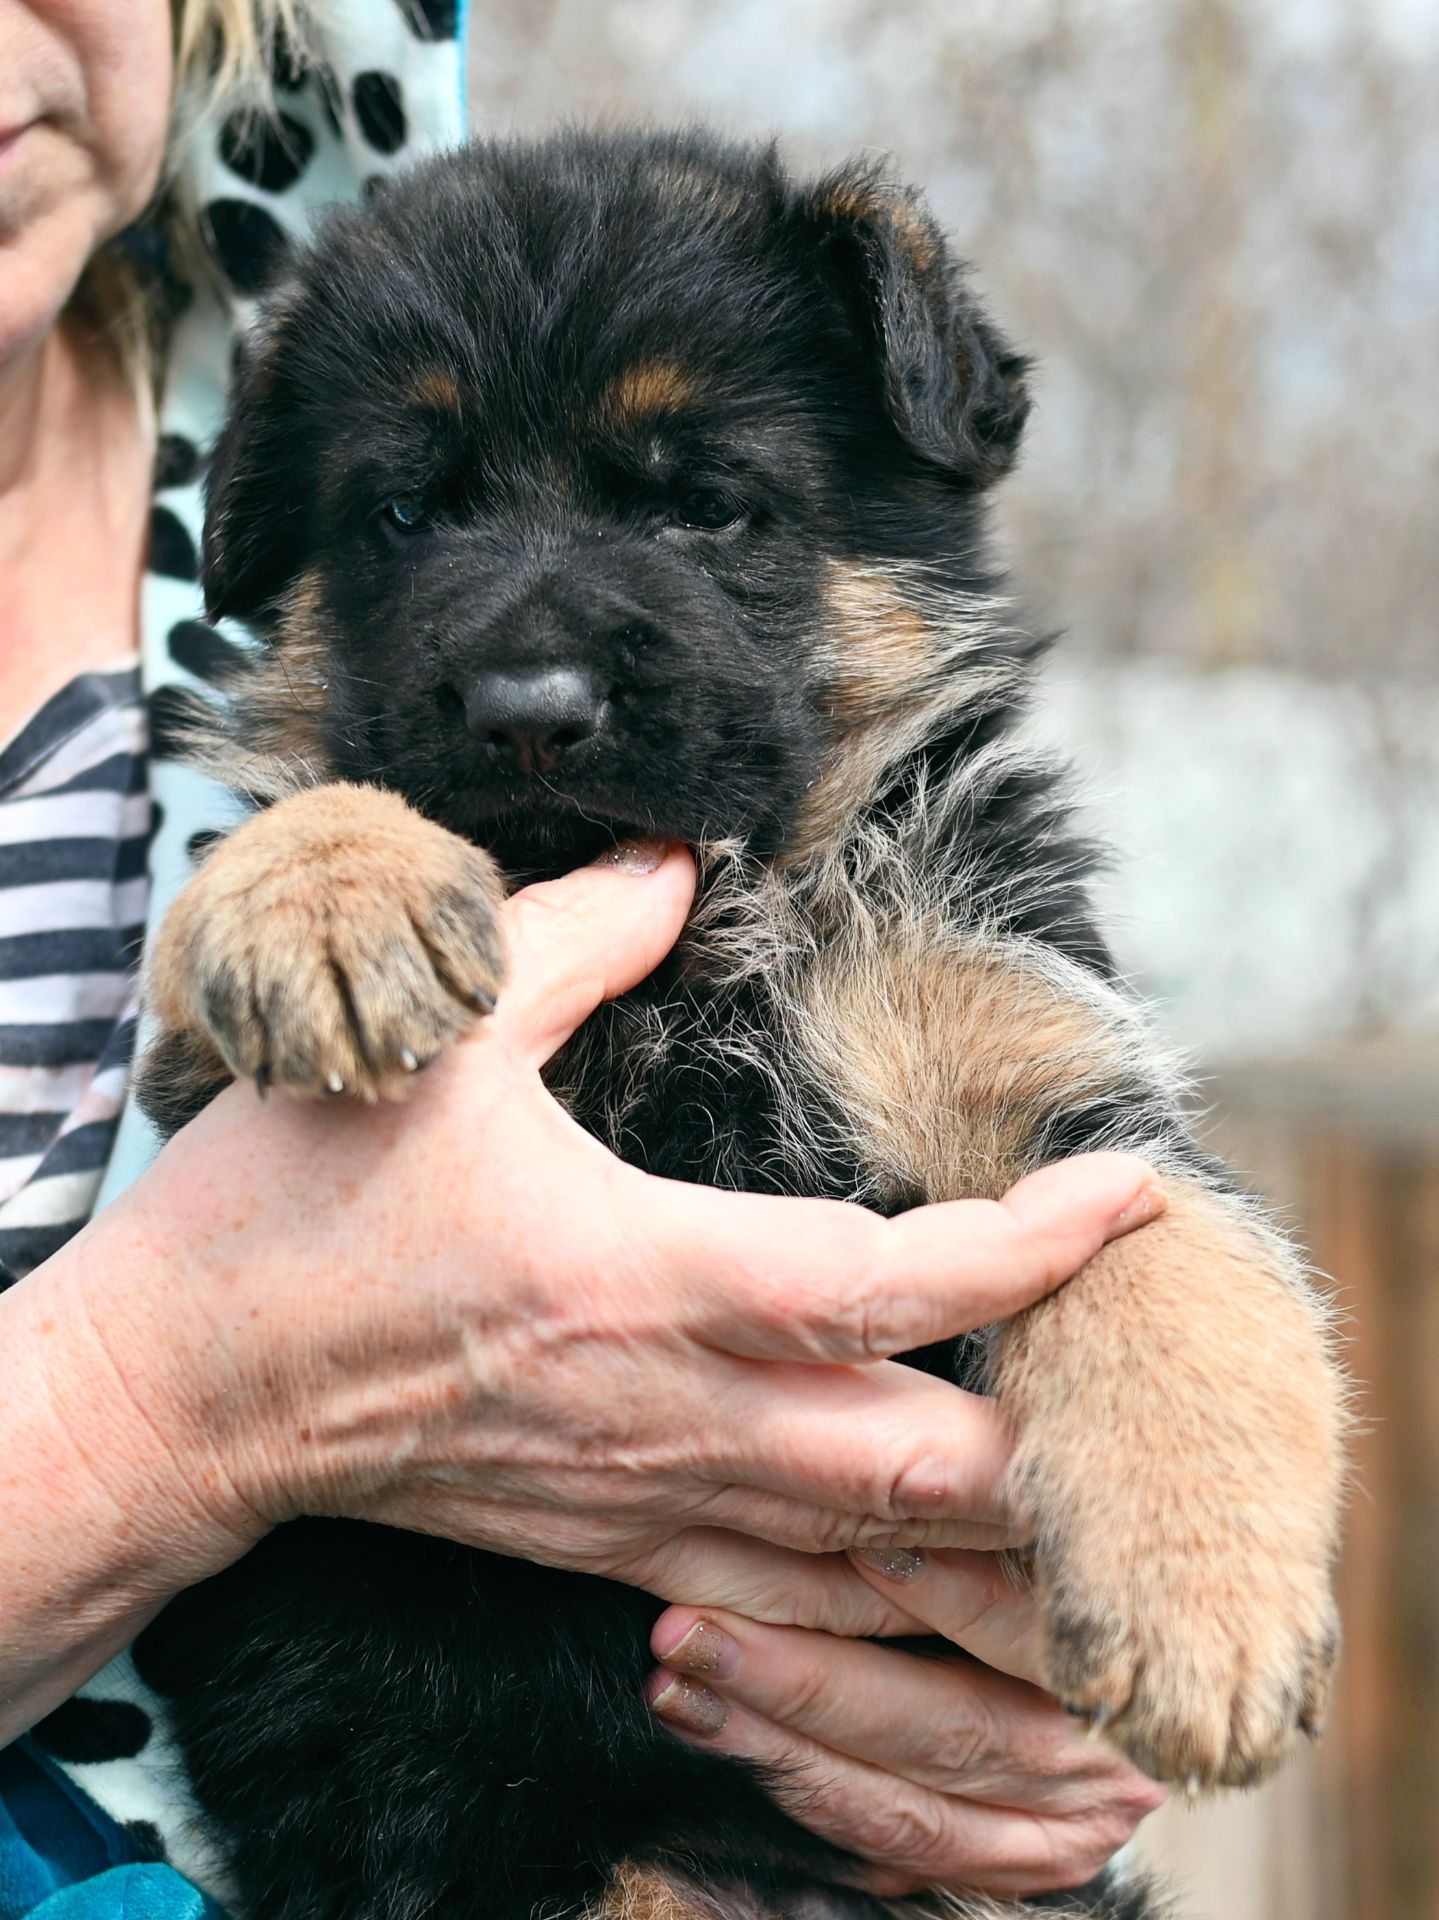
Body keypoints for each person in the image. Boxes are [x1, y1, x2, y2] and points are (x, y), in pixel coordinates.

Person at [0, 0, 1167, 1909]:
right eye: (411, 512)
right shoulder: (321, 730)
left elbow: (1089, 1241)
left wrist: (1099, 1617)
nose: (532, 665)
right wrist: (156, 1407)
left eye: (698, 500)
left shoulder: (419, 276)